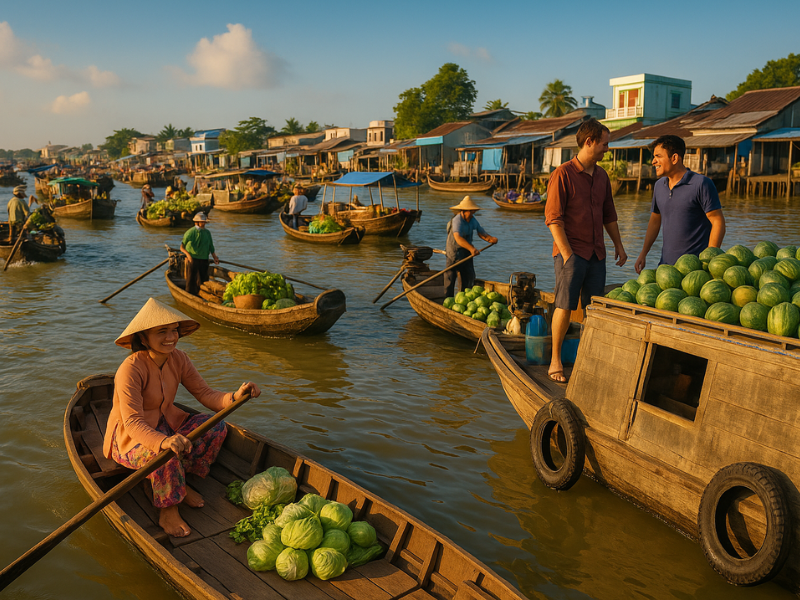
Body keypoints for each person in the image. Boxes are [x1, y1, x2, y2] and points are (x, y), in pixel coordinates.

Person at [103, 297, 261, 537]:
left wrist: (236, 396)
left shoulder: (179, 358)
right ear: (143, 337)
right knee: (166, 455)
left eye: (174, 330)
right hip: (129, 439)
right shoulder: (131, 368)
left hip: (166, 424)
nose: (170, 337)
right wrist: (163, 442)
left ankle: (180, 483)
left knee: (215, 427)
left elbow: (205, 394)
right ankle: (168, 509)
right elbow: (133, 423)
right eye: (162, 332)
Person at [544, 118, 627, 384]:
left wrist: (618, 244)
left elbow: (608, 214)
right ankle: (555, 360)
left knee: (593, 309)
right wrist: (567, 254)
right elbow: (553, 219)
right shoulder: (563, 174)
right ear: (589, 142)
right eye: (604, 144)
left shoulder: (602, 176)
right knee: (564, 305)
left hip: (596, 253)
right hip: (571, 252)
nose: (607, 149)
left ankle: (587, 359)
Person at [634, 135, 726, 271]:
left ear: (675, 158)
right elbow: (654, 221)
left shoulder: (701, 184)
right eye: (654, 157)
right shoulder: (659, 186)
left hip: (695, 269)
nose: (653, 161)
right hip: (666, 269)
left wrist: (709, 261)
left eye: (658, 156)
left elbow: (718, 222)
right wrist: (643, 253)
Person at [444, 196, 498, 298]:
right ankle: (448, 299)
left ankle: (465, 297)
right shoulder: (457, 220)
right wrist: (472, 249)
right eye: (471, 211)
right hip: (454, 252)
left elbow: (481, 233)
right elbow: (458, 238)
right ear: (464, 211)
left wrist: (491, 239)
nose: (473, 213)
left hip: (466, 252)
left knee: (469, 276)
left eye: (473, 211)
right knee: (450, 277)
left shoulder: (473, 220)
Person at [181, 213, 219, 295]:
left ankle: (202, 295)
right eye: (202, 222)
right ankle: (189, 295)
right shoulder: (190, 232)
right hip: (193, 259)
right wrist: (188, 256)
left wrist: (215, 257)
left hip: (204, 258)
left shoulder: (207, 233)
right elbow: (182, 247)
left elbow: (211, 246)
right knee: (191, 280)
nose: (204, 224)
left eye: (204, 222)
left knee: (204, 279)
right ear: (197, 222)